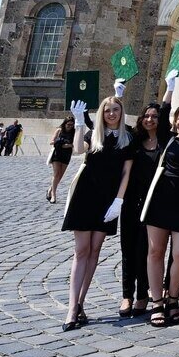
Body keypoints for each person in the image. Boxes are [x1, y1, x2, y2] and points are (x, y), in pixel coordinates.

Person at [60, 96, 133, 330]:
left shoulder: (127, 138)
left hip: (108, 200)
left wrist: (119, 201)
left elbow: (126, 173)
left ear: (121, 113)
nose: (111, 114)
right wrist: (80, 122)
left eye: (116, 110)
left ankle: (81, 302)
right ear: (102, 113)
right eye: (107, 110)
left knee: (94, 251)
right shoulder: (94, 133)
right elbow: (78, 150)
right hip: (85, 195)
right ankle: (72, 307)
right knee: (81, 251)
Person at [141, 92, 179, 328]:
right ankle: (157, 301)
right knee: (155, 252)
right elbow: (164, 109)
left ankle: (173, 298)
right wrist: (170, 87)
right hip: (160, 201)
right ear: (174, 120)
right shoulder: (166, 138)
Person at [120, 98, 166, 318]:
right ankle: (126, 295)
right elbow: (112, 124)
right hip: (131, 202)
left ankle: (142, 295)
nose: (150, 119)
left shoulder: (166, 142)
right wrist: (120, 97)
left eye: (154, 117)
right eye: (146, 116)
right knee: (128, 250)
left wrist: (170, 91)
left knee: (146, 251)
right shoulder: (133, 140)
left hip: (154, 205)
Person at [47, 116, 75, 202]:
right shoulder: (59, 130)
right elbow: (51, 142)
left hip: (66, 155)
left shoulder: (74, 132)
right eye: (68, 124)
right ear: (65, 123)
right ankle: (53, 195)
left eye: (72, 125)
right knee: (56, 174)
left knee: (60, 175)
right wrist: (60, 142)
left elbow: (74, 144)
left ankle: (50, 189)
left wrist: (69, 145)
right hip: (57, 154)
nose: (70, 126)